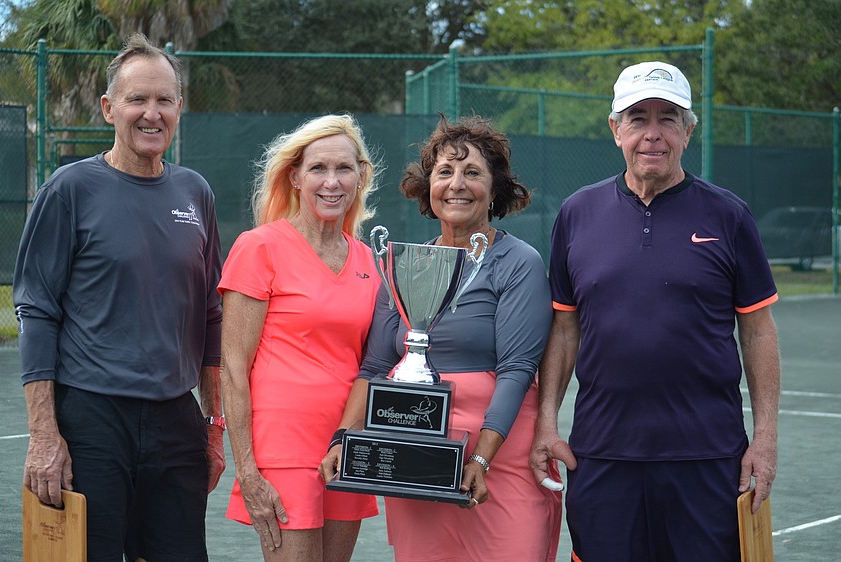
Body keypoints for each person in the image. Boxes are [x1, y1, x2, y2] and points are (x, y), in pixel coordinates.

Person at [530, 61, 781, 562]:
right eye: (637, 117)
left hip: (708, 455)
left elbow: (757, 331)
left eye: (668, 118)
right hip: (601, 452)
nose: (652, 134)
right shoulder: (577, 213)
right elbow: (564, 327)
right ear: (614, 129)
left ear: (689, 131)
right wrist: (546, 424)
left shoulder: (729, 215)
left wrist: (766, 440)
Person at [14, 33, 225, 561]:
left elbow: (212, 316)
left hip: (178, 421)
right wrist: (45, 434)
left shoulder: (195, 192)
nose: (150, 113)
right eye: (137, 99)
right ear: (109, 108)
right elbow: (37, 311)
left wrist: (213, 425)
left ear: (179, 108)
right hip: (92, 419)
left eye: (163, 100)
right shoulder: (69, 189)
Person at [320, 114, 562, 562]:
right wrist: (341, 439)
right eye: (444, 172)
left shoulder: (518, 262)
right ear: (427, 186)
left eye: (472, 173)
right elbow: (373, 368)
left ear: (495, 190)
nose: (457, 184)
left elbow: (516, 371)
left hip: (496, 464)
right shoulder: (404, 264)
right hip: (415, 459)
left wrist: (480, 460)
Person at [219, 114, 383, 561]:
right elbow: (233, 369)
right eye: (318, 169)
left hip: (349, 447)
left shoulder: (372, 261)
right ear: (295, 177)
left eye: (344, 169)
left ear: (361, 176)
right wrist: (248, 473)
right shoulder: (259, 248)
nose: (332, 182)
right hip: (284, 452)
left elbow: (373, 363)